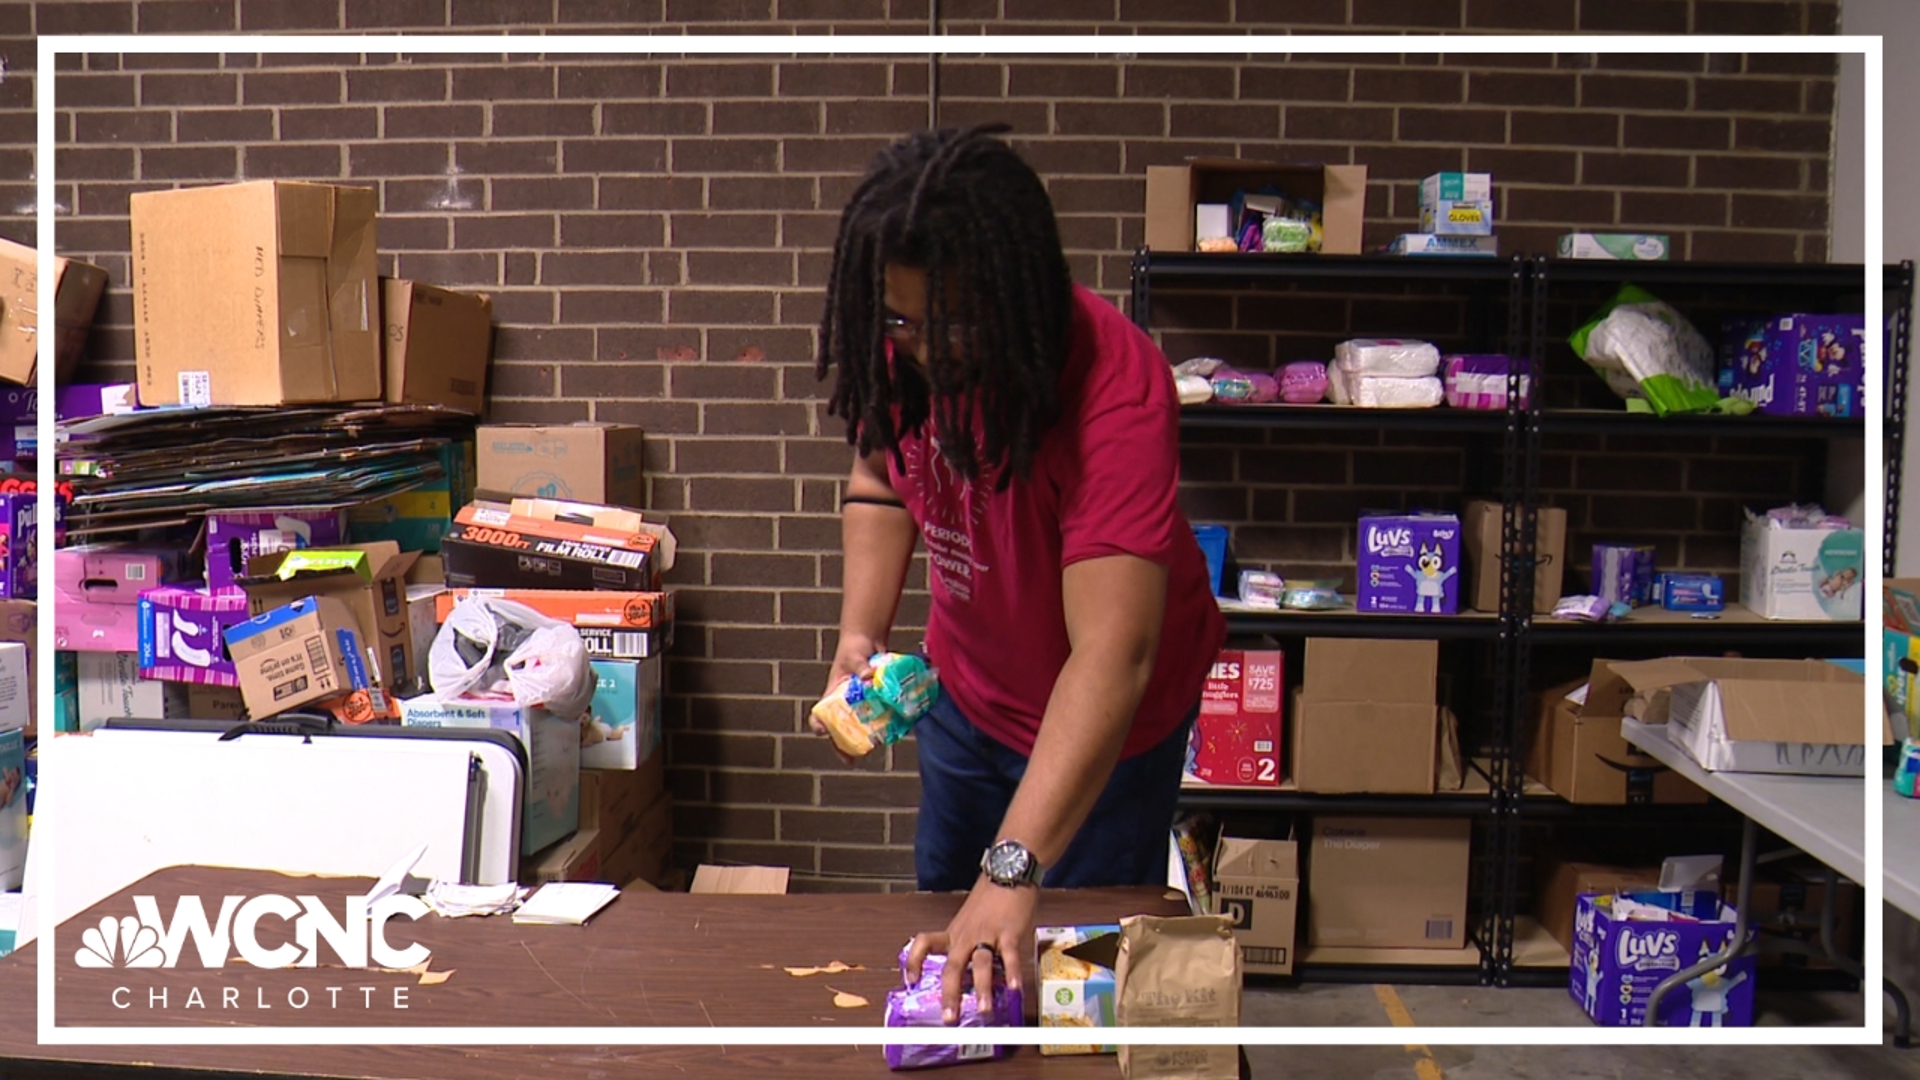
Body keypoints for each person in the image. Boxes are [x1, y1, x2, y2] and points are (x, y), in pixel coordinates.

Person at [811, 123, 1227, 1025]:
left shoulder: (1113, 389)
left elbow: (1114, 656)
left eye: (949, 324)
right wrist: (860, 631)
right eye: (899, 319)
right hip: (968, 696)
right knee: (949, 930)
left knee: (1077, 970)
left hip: (1107, 729)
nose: (921, 348)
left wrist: (1013, 868)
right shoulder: (905, 343)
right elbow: (881, 478)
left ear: (1017, 294)